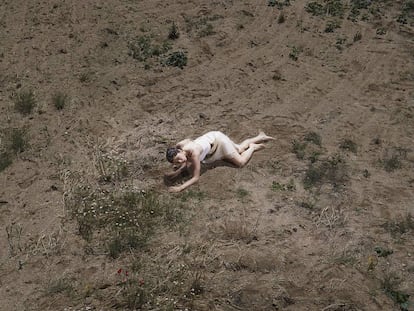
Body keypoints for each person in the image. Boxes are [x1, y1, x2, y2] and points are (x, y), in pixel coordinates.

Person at [165, 131, 274, 192]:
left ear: (179, 151)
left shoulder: (194, 153)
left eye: (179, 158)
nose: (180, 161)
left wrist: (180, 188)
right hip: (211, 139)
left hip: (219, 142)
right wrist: (177, 172)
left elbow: (195, 177)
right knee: (240, 149)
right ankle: (260, 136)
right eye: (177, 162)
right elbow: (185, 160)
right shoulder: (180, 146)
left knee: (240, 162)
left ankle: (252, 147)